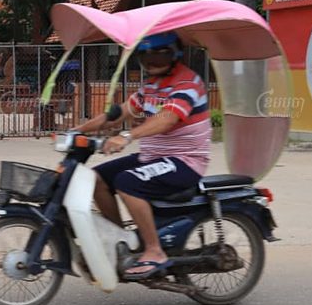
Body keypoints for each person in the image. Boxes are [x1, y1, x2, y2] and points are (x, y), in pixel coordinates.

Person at [71, 32, 211, 280]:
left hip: (184, 160)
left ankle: (155, 251)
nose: (152, 60)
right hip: (154, 156)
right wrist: (76, 130)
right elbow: (119, 112)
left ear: (174, 52)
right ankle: (121, 241)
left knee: (127, 182)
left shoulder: (187, 82)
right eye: (146, 54)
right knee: (95, 179)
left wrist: (126, 137)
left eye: (160, 53)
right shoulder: (151, 85)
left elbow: (167, 119)